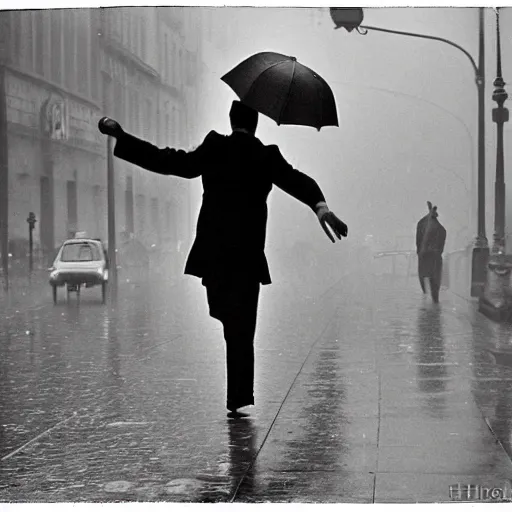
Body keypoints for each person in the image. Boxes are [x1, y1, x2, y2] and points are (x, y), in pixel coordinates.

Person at [98, 100, 348, 417]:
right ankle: (239, 395)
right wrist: (321, 207)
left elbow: (171, 161)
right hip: (247, 257)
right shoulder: (265, 155)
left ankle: (235, 375)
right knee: (242, 331)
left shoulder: (215, 147)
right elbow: (298, 180)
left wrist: (123, 137)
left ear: (231, 122)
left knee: (227, 317)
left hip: (215, 256)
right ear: (256, 124)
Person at [416, 201, 446, 303]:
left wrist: (421, 252)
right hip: (434, 259)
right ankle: (434, 300)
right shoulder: (441, 229)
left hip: (427, 257)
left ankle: (431, 299)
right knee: (434, 281)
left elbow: (419, 243)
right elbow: (441, 247)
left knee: (427, 279)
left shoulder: (422, 225)